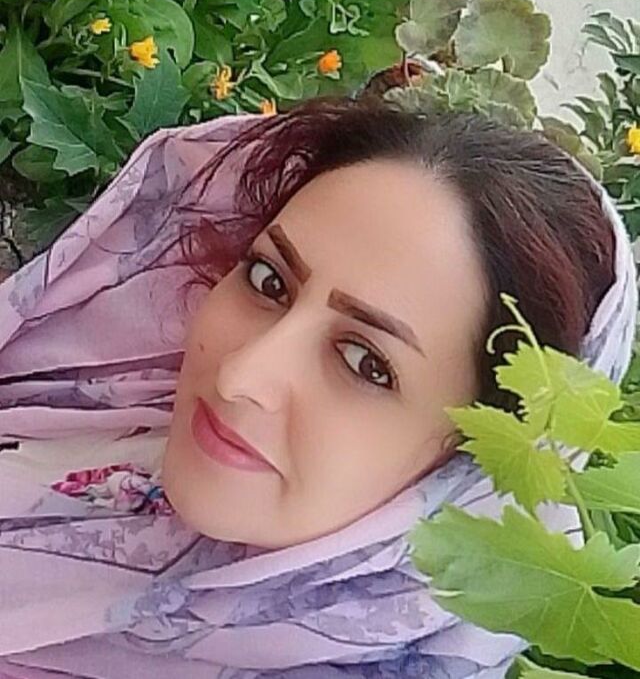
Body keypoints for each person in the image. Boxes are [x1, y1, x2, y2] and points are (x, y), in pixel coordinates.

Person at [0, 91, 636, 678]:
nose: (240, 375)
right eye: (269, 281)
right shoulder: (108, 416)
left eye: (365, 362)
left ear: (467, 477)